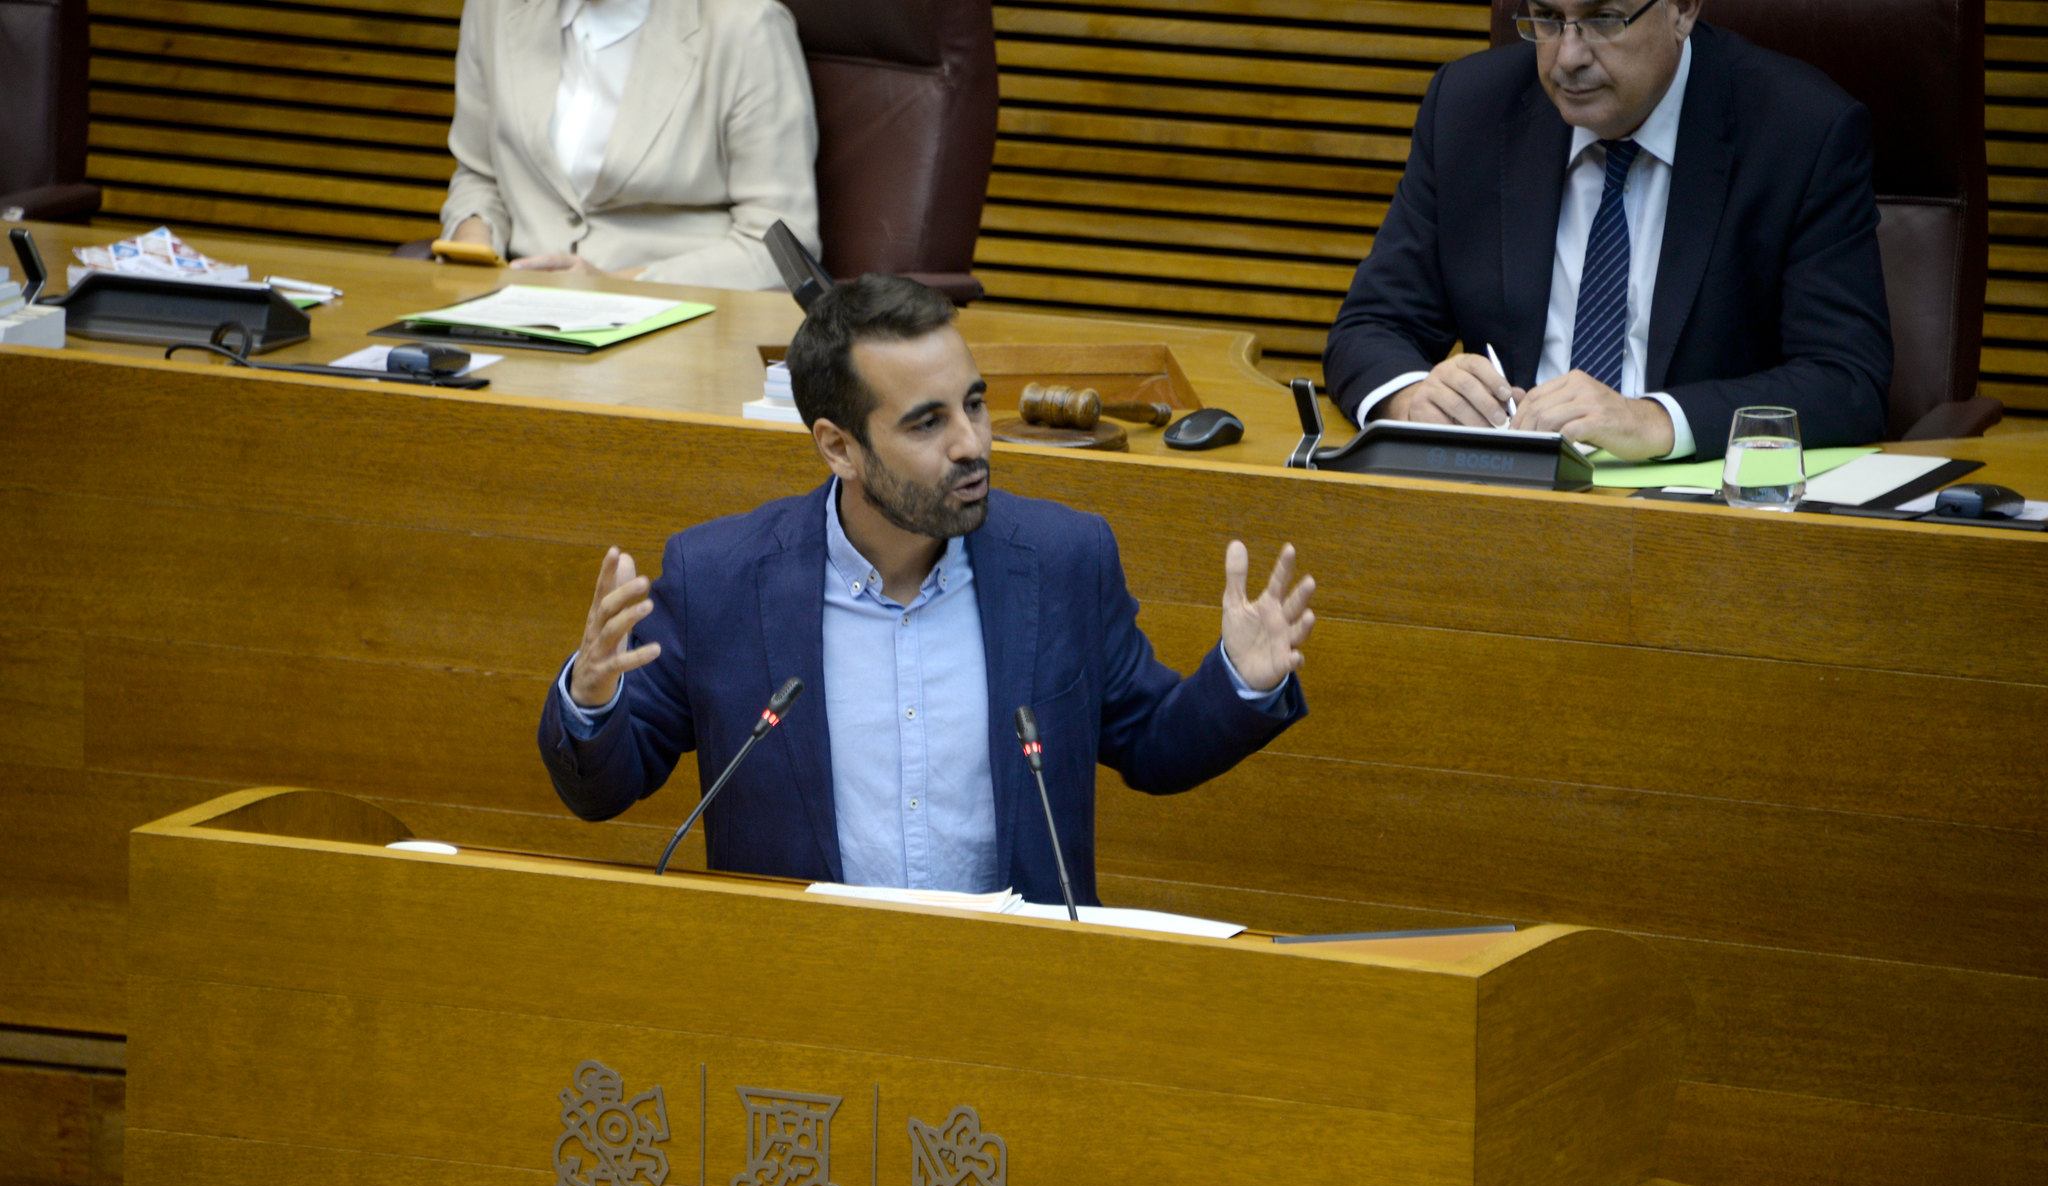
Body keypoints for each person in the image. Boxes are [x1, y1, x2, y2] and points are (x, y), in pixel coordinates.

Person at [537, 275, 1317, 906]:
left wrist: (1239, 684)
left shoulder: (1060, 559)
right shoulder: (724, 577)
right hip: (801, 998)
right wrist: (593, 698)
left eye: (973, 403)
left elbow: (1153, 743)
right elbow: (604, 788)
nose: (972, 443)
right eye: (926, 422)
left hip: (1018, 997)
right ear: (838, 447)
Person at [1323, 0, 1892, 460]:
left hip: (1704, 526)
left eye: (1602, 19)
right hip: (1508, 502)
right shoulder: (1471, 109)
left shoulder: (1801, 130)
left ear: (1683, 9)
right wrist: (1411, 399)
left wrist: (1655, 419)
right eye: (1547, 17)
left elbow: (1845, 380)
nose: (1567, 57)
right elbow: (1371, 326)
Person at [439, 0, 820, 289]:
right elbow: (480, 174)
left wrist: (615, 286)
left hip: (680, 321)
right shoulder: (494, 9)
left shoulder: (746, 25)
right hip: (515, 307)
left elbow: (784, 246)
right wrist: (475, 250)